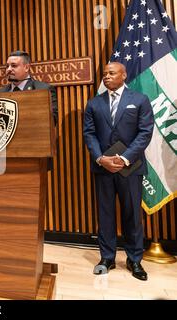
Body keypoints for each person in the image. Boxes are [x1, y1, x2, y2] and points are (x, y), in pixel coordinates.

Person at [83, 62, 154, 281]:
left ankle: (134, 260)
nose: (106, 77)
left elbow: (145, 132)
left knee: (132, 214)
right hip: (103, 167)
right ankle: (107, 258)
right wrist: (100, 158)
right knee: (105, 214)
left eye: (111, 73)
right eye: (104, 74)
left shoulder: (139, 100)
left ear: (124, 75)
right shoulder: (94, 103)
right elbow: (89, 134)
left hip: (130, 167)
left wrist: (124, 158)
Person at [0, 50, 58, 125]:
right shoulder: (0, 93)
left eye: (14, 65)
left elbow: (53, 120)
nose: (9, 69)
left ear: (26, 67)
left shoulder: (43, 90)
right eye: (7, 66)